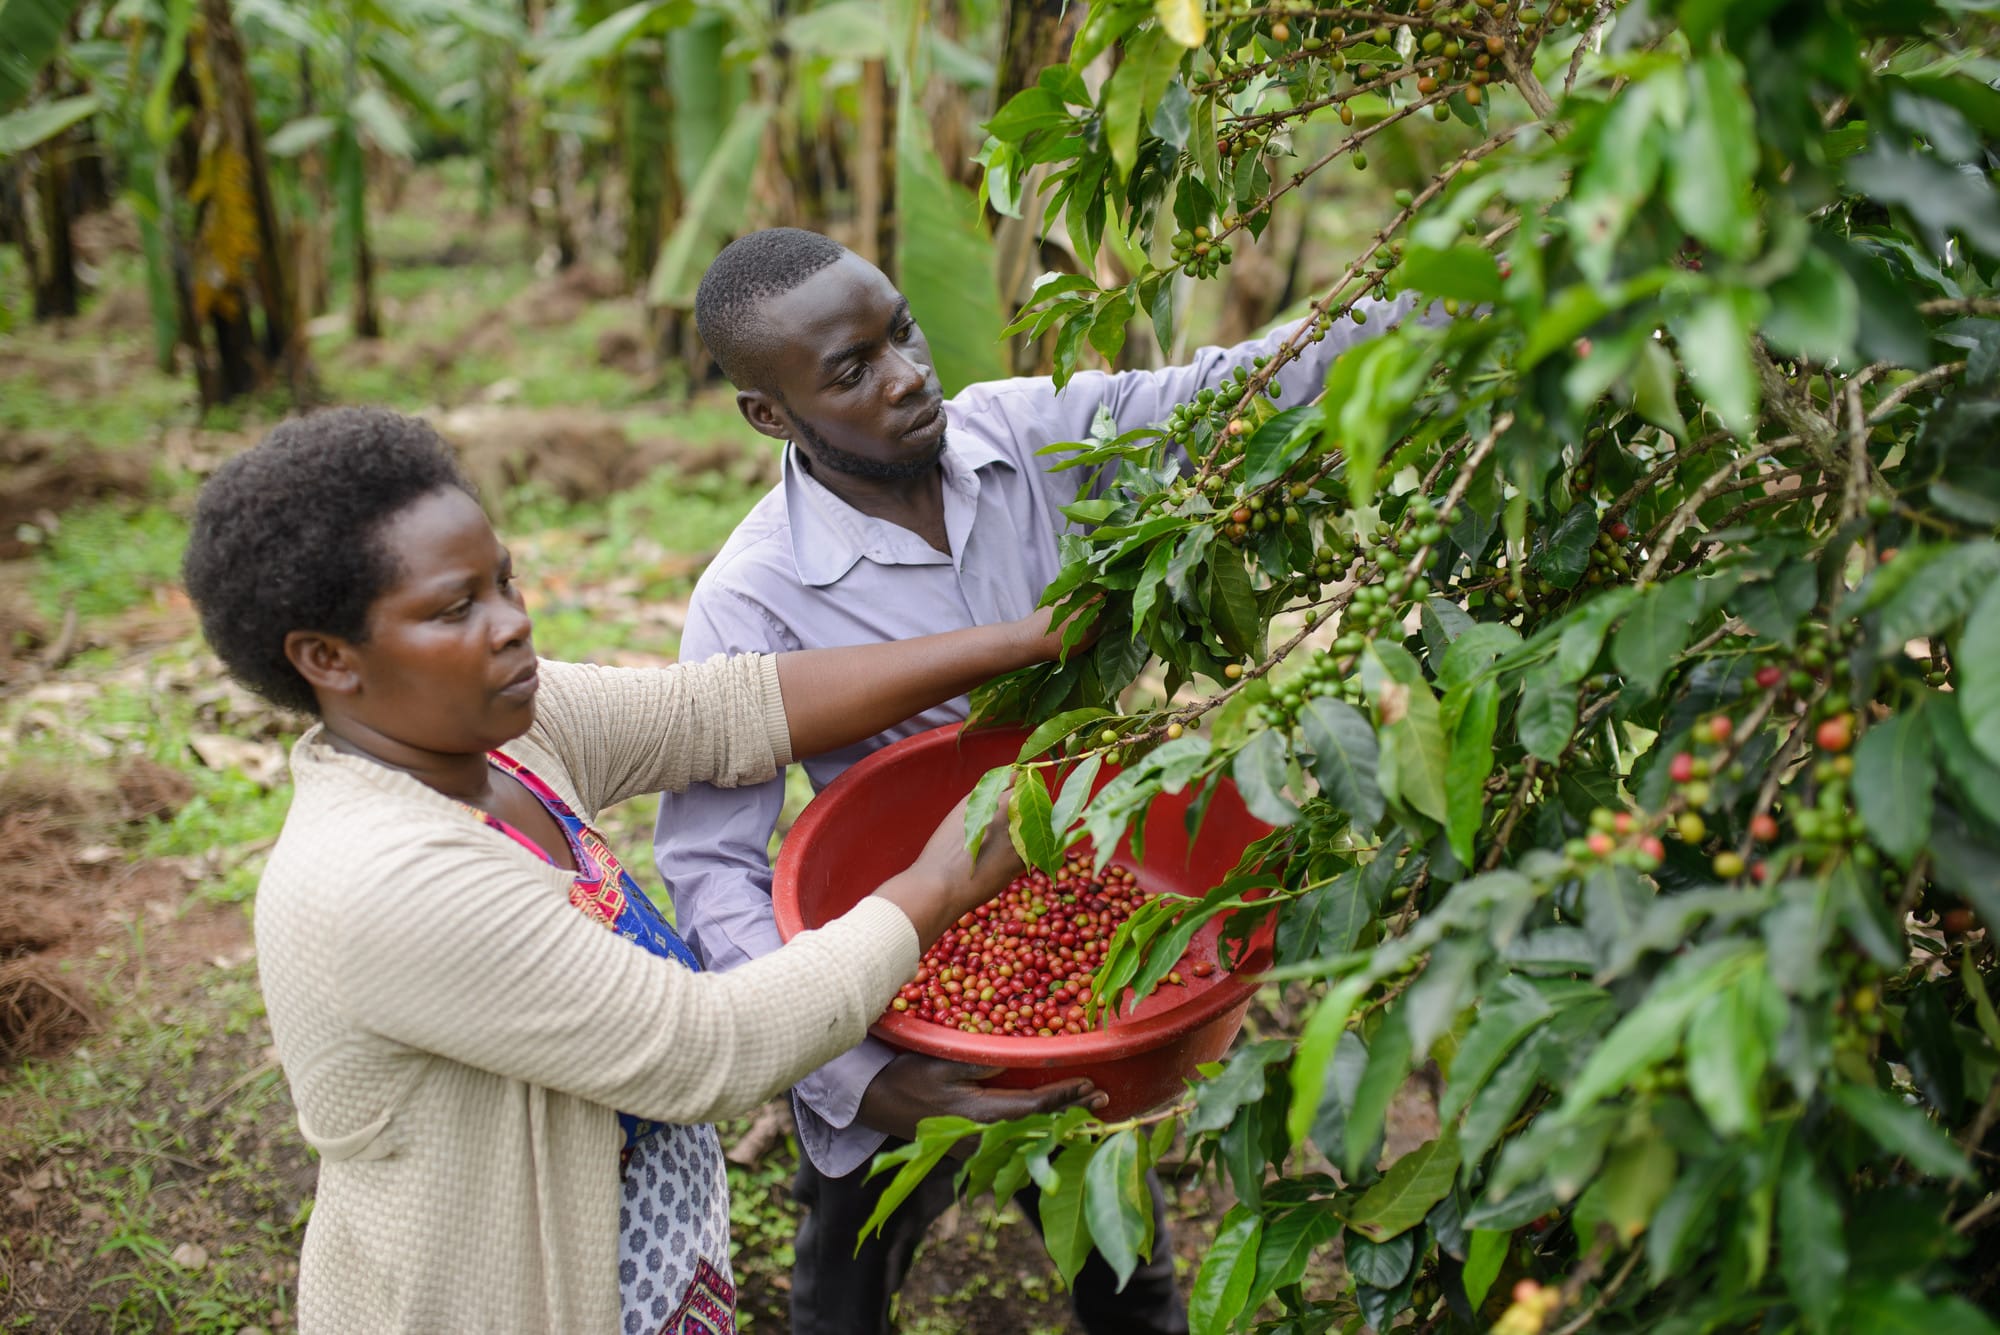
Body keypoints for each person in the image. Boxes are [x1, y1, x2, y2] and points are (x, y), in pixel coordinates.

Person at [652, 228, 1432, 1335]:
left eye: (901, 331)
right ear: (771, 416)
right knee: (847, 1270)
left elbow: (1226, 395)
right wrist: (864, 1079)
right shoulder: (755, 598)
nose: (908, 374)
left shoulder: (1025, 431)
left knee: (1120, 1256)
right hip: (893, 977)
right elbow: (711, 868)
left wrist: (1443, 287)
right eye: (851, 371)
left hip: (1079, 916)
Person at [180, 406, 1098, 1335]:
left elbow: (723, 709)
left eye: (504, 581)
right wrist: (941, 883)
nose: (513, 624)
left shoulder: (498, 737)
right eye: (456, 609)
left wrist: (1021, 641)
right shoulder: (388, 875)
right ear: (327, 659)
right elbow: (707, 1046)